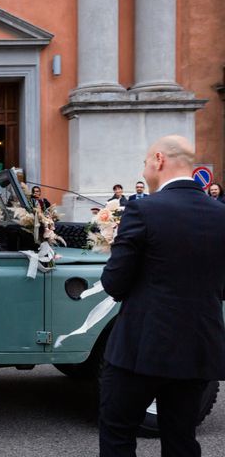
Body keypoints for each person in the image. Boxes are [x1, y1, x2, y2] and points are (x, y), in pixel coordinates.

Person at [98, 134, 225, 457]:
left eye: (144, 163)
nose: (144, 172)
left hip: (141, 350)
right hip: (197, 350)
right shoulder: (220, 214)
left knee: (118, 433)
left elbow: (114, 284)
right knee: (181, 440)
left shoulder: (144, 211)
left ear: (159, 159)